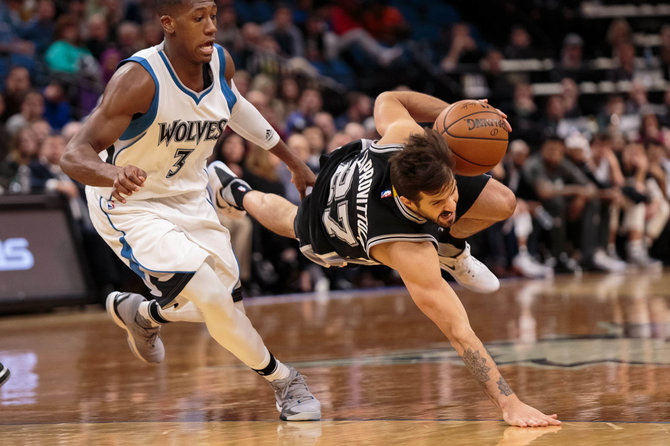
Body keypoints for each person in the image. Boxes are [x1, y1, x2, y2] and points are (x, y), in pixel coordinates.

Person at [209, 90, 561, 427]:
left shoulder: (406, 137)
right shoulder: (407, 248)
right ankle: (236, 191)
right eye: (438, 205)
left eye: (451, 193)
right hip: (331, 217)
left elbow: (389, 99)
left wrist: (461, 112)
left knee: (503, 202)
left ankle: (451, 251)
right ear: (410, 203)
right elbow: (460, 333)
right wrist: (509, 402)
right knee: (291, 222)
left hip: (362, 165)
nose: (451, 206)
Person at [60, 0, 320, 422]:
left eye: (214, 16)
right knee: (209, 297)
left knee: (226, 309)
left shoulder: (220, 63)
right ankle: (285, 380)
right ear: (169, 23)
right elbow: (73, 155)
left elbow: (237, 109)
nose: (211, 27)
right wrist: (111, 174)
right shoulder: (138, 79)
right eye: (198, 18)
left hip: (188, 195)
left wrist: (293, 161)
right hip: (131, 203)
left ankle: (143, 313)